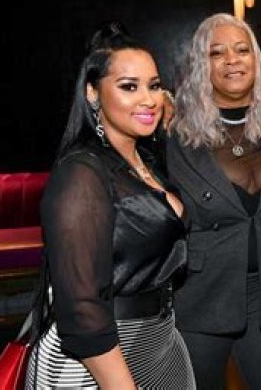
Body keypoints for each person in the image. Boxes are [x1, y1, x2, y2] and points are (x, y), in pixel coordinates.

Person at [25, 22, 195, 389]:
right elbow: (81, 310)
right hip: (98, 362)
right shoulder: (81, 174)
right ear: (92, 93)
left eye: (154, 85)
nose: (148, 99)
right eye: (129, 87)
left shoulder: (146, 161)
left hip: (159, 346)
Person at [166, 13, 261, 389]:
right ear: (200, 65)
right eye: (217, 53)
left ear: (257, 59)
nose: (232, 60)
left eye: (242, 50)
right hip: (199, 301)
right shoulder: (175, 134)